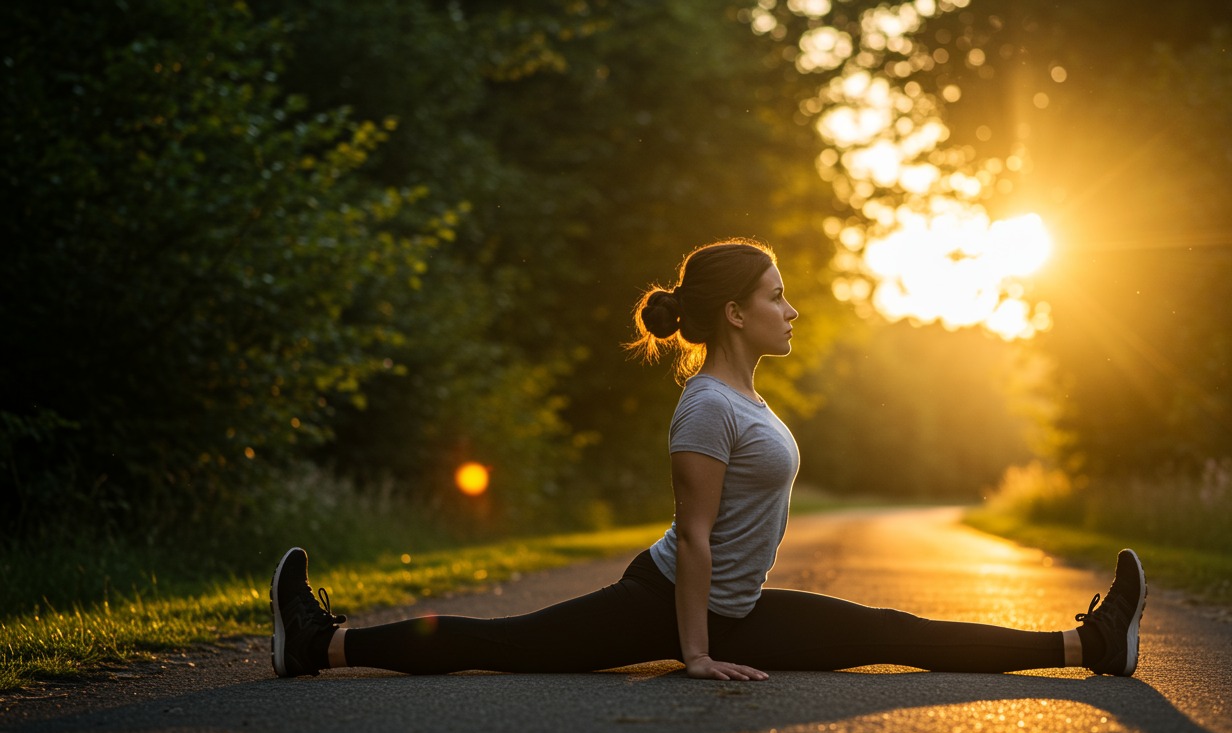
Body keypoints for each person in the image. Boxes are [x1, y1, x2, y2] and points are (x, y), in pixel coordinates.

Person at [270, 238, 1147, 680]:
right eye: (776, 297)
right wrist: (692, 655)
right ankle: (316, 645)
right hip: (666, 604)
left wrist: (716, 630)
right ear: (734, 313)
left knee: (890, 631)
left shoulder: (747, 399)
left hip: (737, 607)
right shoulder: (706, 407)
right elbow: (693, 537)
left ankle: (1089, 645)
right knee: (503, 644)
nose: (792, 309)